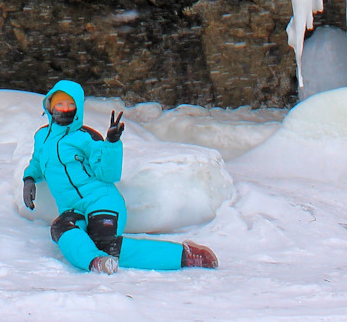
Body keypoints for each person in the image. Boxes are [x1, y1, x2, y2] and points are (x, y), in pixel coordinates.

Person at [22, 78, 219, 274]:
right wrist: (29, 179)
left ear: (78, 108)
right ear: (50, 105)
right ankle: (96, 261)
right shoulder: (41, 137)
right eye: (60, 103)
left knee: (106, 244)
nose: (64, 109)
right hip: (72, 209)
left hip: (101, 201)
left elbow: (108, 173)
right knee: (62, 229)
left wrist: (112, 144)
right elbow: (37, 162)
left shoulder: (86, 137)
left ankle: (183, 255)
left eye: (71, 104)